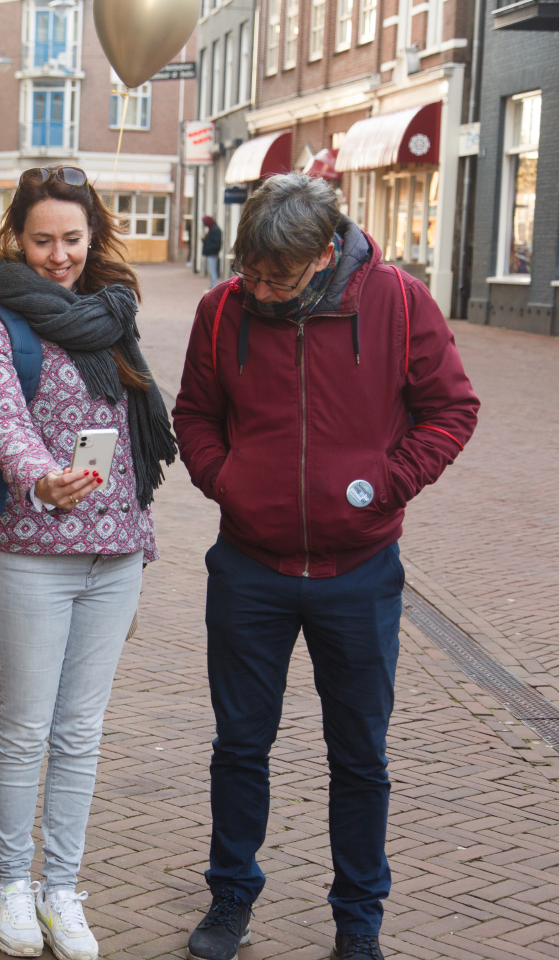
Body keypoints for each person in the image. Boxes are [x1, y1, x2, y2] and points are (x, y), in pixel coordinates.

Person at [172, 174, 479, 960]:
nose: (259, 289)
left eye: (277, 277)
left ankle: (358, 922)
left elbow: (452, 408)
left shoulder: (399, 302)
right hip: (250, 568)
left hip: (360, 571)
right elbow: (195, 415)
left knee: (360, 755)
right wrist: (229, 481)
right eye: (250, 272)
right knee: (240, 744)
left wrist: (389, 482)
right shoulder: (222, 311)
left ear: (322, 255)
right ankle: (231, 897)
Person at [0, 165, 176, 960]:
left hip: (115, 555)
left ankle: (61, 889)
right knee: (26, 730)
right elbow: (3, 421)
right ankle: (12, 884)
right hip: (28, 556)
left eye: (72, 239)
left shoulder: (114, 313)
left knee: (80, 732)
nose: (58, 256)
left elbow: (138, 433)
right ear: (15, 237)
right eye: (42, 239)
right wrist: (40, 477)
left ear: (93, 236)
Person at [201, 215, 222, 287]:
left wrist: (208, 247)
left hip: (212, 254)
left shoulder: (215, 230)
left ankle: (213, 287)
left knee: (212, 272)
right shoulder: (211, 229)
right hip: (210, 253)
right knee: (211, 271)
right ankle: (212, 286)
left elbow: (216, 244)